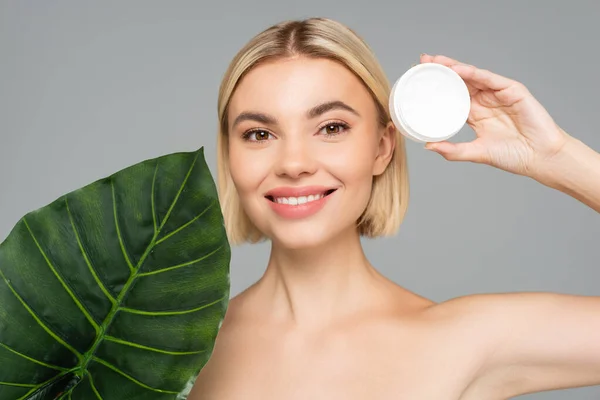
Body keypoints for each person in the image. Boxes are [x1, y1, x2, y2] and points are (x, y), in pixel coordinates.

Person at [189, 17, 600, 400]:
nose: (293, 163)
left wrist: (555, 156)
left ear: (382, 148)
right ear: (230, 156)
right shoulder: (170, 346)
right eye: (259, 134)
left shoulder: (462, 339)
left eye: (332, 128)